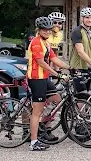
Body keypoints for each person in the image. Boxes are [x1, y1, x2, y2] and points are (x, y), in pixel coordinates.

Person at [27, 17, 70, 151]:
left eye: (49, 30)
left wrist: (70, 67)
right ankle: (34, 142)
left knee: (57, 99)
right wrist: (57, 74)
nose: (47, 32)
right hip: (36, 79)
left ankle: (41, 124)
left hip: (44, 79)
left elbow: (54, 58)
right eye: (44, 30)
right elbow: (42, 63)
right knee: (37, 111)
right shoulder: (36, 42)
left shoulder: (46, 43)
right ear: (39, 30)